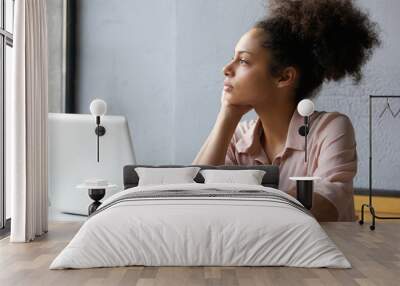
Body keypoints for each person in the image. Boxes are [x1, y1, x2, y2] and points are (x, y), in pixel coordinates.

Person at [192, 0, 380, 221]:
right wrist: (227, 115)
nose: (226, 69)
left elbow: (326, 204)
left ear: (284, 77)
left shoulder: (330, 128)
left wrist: (240, 206)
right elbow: (194, 197)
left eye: (243, 61)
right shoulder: (238, 137)